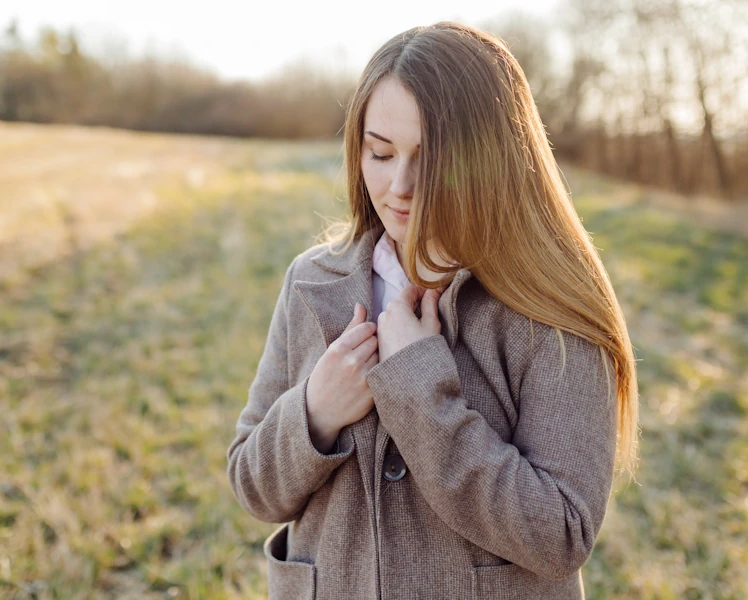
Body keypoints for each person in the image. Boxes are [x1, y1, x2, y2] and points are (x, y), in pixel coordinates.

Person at [227, 21, 639, 600]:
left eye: (431, 157)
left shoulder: (550, 307)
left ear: (492, 158)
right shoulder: (310, 283)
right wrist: (315, 412)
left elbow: (561, 534)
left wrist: (421, 391)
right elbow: (252, 486)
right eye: (380, 152)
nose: (400, 185)